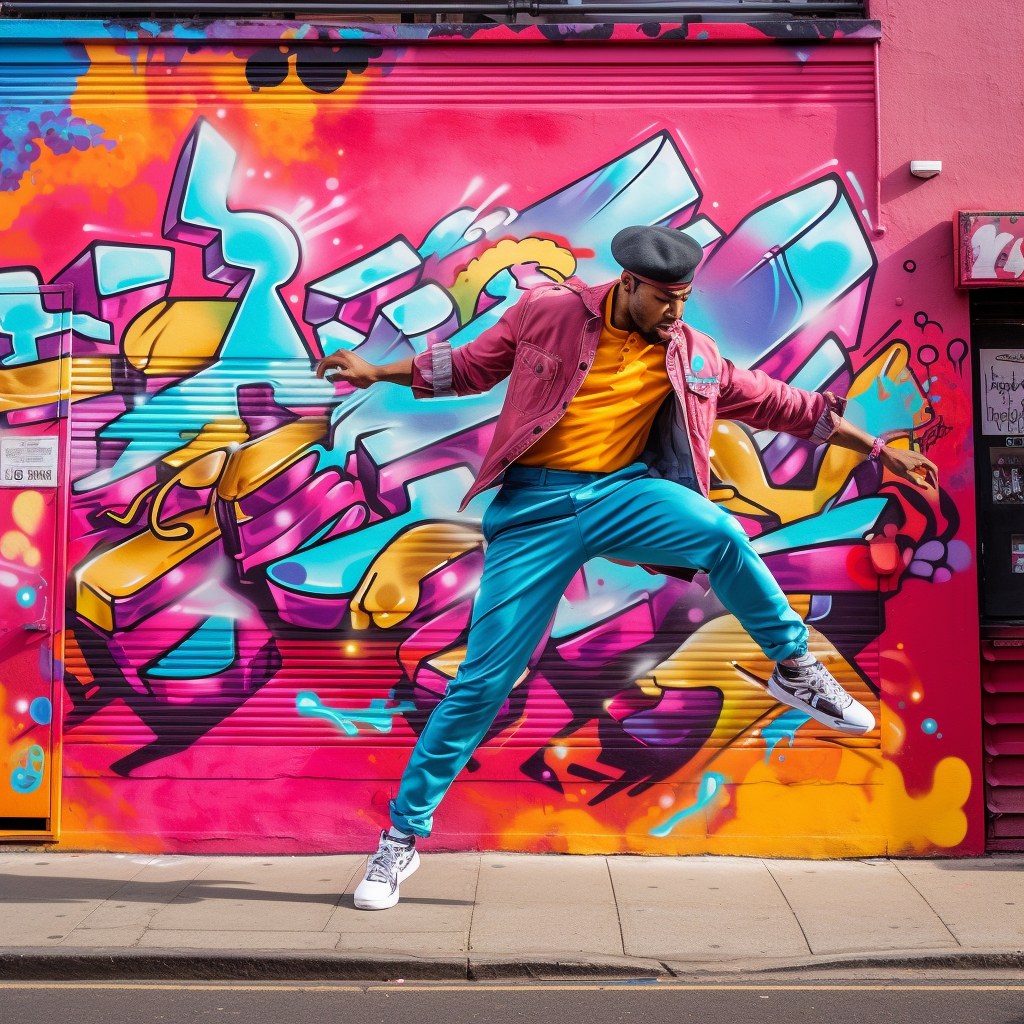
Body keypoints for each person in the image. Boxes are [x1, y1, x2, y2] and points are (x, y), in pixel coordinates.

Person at [316, 225, 937, 911]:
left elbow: (784, 404)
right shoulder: (547, 315)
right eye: (666, 300)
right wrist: (378, 372)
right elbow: (467, 367)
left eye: (686, 300)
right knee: (481, 685)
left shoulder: (692, 355)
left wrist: (880, 447)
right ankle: (400, 841)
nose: (677, 314)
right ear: (629, 286)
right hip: (533, 509)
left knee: (720, 533)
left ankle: (796, 669)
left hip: (623, 493)